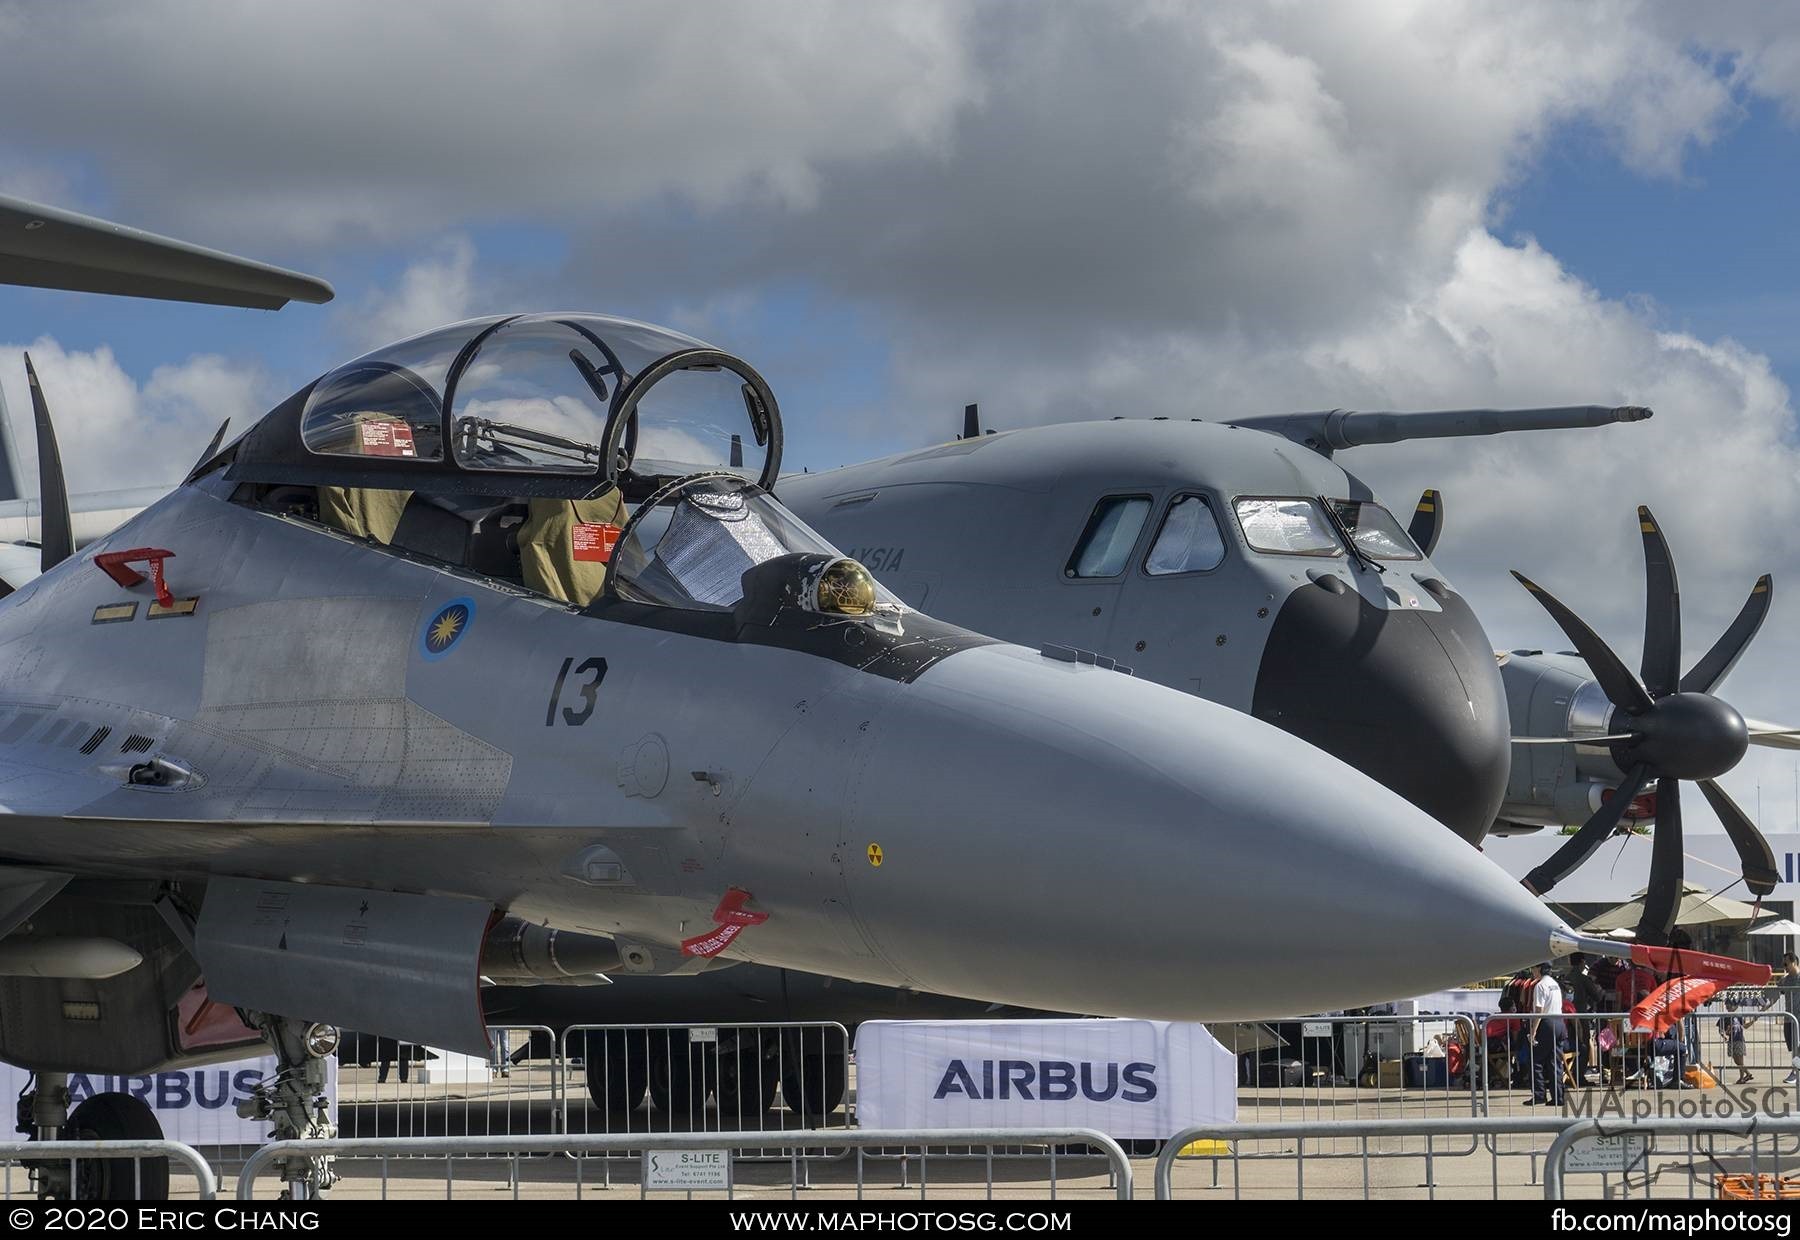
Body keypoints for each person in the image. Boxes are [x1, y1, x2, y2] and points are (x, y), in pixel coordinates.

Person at [1528, 961, 1568, 1106]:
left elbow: (1539, 1010)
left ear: (1539, 968)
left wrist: (1533, 1031)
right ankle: (1558, 1097)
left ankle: (1539, 1095)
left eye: (1533, 967)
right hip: (1559, 1023)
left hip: (1546, 1023)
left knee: (1536, 1061)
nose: (1532, 970)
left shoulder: (1540, 985)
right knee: (1555, 1063)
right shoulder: (1554, 984)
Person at [1766, 953, 1800, 1084]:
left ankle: (1795, 1072)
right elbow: (1773, 998)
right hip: (1789, 1019)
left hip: (1799, 1018)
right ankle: (1795, 1071)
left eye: (1786, 964)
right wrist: (1756, 1016)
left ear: (1794, 962)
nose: (1784, 967)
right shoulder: (1784, 981)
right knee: (1794, 1048)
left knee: (1798, 1047)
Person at [1719, 995, 1755, 1086]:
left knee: (1740, 1059)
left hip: (1739, 1039)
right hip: (1731, 1040)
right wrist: (1724, 1035)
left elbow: (1744, 1026)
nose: (1728, 1007)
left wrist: (1752, 1021)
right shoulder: (1725, 1017)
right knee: (1736, 1060)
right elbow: (1721, 1030)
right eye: (1727, 1005)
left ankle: (1744, 1076)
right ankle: (1746, 1074)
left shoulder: (1738, 1016)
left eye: (1730, 1005)